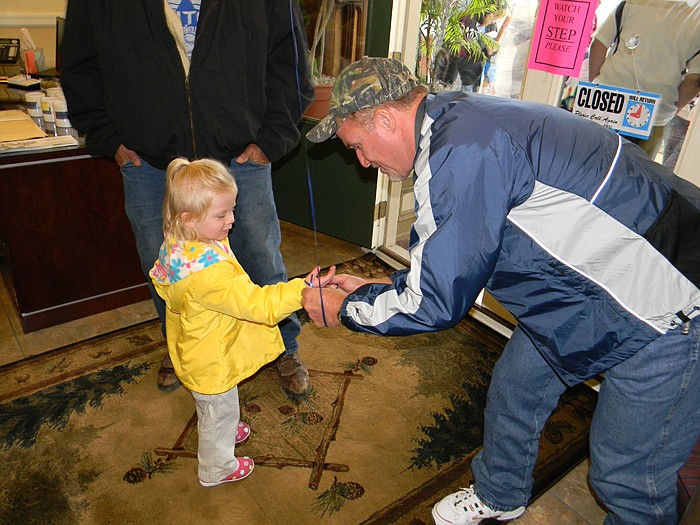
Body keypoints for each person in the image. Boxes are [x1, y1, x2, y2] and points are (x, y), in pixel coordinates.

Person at [301, 56, 700, 524]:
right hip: (593, 288)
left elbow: (435, 302)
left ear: (386, 118)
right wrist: (378, 286)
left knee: (626, 476)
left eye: (358, 147)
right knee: (517, 389)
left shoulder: (463, 152)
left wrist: (347, 308)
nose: (363, 161)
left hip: (668, 305)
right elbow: (457, 259)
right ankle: (500, 495)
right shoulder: (456, 121)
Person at [60, 0, 316, 397]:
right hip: (149, 164)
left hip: (241, 157)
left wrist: (271, 140)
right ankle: (182, 345)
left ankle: (285, 346)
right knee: (166, 268)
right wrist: (108, 139)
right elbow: (80, 67)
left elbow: (291, 64)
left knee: (261, 257)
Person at [149, 157, 334, 486]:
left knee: (218, 406)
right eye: (222, 214)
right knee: (217, 409)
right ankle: (215, 469)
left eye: (231, 210)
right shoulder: (208, 275)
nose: (232, 220)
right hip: (212, 360)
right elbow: (259, 305)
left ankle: (223, 425)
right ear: (189, 218)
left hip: (199, 350)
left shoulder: (181, 243)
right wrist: (301, 290)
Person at [588, 0, 700, 159]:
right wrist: (670, 109)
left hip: (607, 98)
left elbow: (599, 43)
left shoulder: (633, 2)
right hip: (653, 112)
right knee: (634, 174)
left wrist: (597, 84)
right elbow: (694, 81)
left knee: (588, 161)